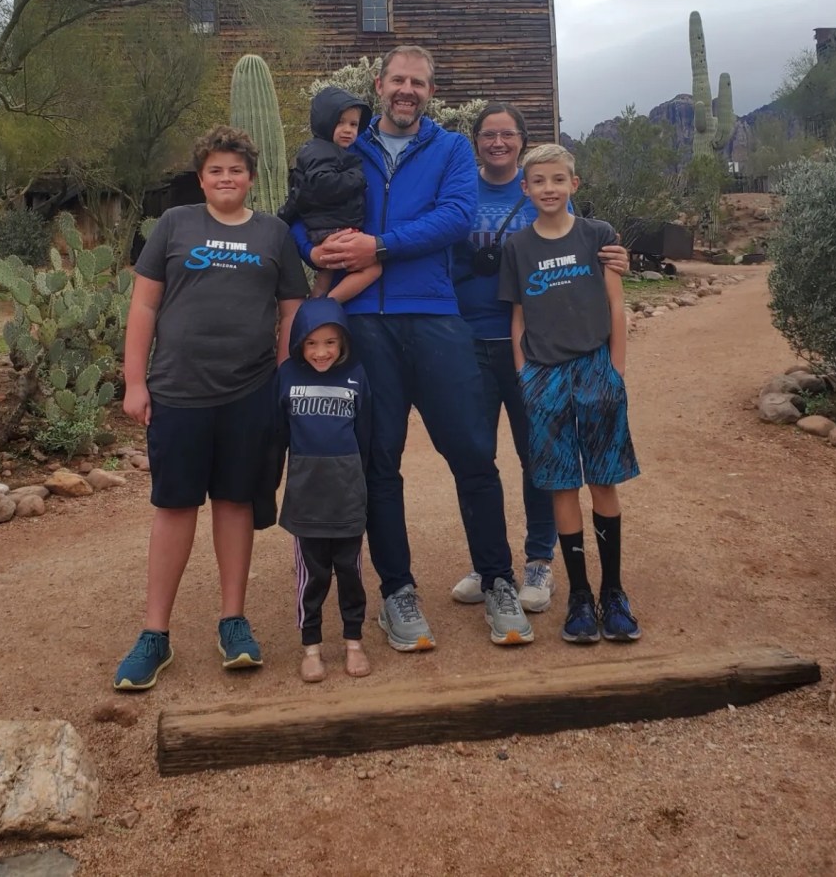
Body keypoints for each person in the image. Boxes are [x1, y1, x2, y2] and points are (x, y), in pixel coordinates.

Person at [291, 46, 532, 652]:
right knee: (379, 464)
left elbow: (455, 216)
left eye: (418, 82)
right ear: (378, 85)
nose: (407, 90)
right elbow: (299, 209)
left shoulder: (451, 149)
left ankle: (499, 579)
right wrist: (310, 251)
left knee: (473, 454)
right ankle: (398, 592)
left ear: (431, 90)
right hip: (363, 324)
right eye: (398, 79)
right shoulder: (350, 147)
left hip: (433, 316)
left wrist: (381, 247)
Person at [113, 125, 307, 691]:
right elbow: (144, 306)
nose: (227, 178)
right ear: (201, 178)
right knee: (174, 506)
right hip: (177, 390)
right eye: (216, 170)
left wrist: (280, 374)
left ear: (251, 177)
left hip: (249, 393)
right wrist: (135, 382)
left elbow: (293, 311)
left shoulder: (273, 234)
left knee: (234, 503)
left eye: (237, 170)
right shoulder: (175, 225)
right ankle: (155, 634)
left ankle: (233, 621)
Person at [451, 104, 630, 613]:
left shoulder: (545, 196)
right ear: (477, 141)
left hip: (538, 351)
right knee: (474, 458)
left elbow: (593, 255)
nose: (498, 141)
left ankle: (539, 561)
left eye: (508, 134)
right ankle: (488, 564)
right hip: (469, 338)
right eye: (489, 133)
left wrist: (615, 259)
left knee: (540, 459)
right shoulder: (460, 188)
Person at [499, 143, 642, 645]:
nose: (549, 189)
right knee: (562, 485)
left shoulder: (596, 235)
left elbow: (614, 301)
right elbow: (517, 315)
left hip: (595, 367)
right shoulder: (517, 247)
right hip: (545, 374)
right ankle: (579, 595)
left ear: (574, 185)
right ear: (526, 188)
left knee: (603, 482)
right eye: (538, 181)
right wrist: (526, 377)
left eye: (558, 180)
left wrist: (615, 372)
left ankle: (614, 592)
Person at [277, 298, 372, 682]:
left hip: (348, 494)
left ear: (344, 341)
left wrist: (362, 483)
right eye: (312, 342)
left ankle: (354, 642)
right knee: (312, 577)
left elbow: (365, 436)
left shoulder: (357, 375)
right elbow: (276, 434)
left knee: (350, 572)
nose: (321, 352)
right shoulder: (286, 375)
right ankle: (311, 648)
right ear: (298, 340)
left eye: (330, 342)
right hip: (306, 496)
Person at [277, 86, 379, 303]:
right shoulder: (321, 151)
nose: (348, 130)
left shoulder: (322, 150)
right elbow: (321, 183)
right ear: (325, 121)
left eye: (353, 124)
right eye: (340, 122)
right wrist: (357, 178)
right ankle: (326, 305)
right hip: (333, 226)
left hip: (325, 226)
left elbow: (299, 194)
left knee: (326, 272)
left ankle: (317, 301)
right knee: (374, 268)